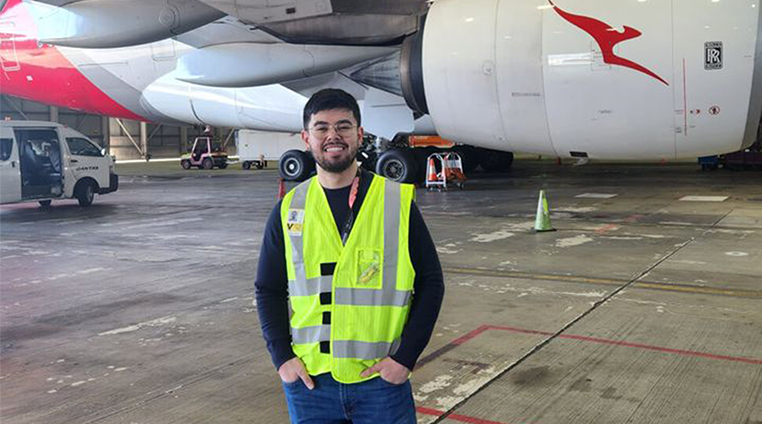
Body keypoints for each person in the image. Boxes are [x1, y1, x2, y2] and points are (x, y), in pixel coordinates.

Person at [255, 88, 445, 424]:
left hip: (379, 380)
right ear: (306, 137)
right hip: (311, 383)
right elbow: (268, 289)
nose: (333, 136)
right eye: (322, 128)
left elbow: (431, 282)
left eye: (343, 126)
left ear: (359, 134)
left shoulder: (396, 203)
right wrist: (282, 358)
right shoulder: (288, 210)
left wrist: (405, 358)